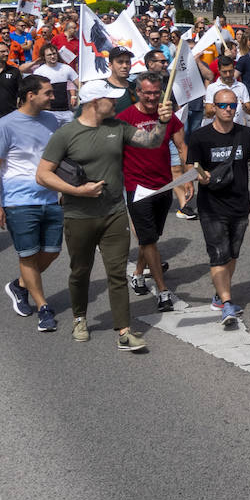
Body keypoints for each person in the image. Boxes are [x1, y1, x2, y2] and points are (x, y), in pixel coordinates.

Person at [36, 79, 171, 352]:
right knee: (80, 271)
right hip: (79, 215)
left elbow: (152, 141)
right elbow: (42, 175)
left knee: (117, 274)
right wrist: (77, 190)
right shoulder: (66, 134)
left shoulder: (117, 127)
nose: (117, 103)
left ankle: (124, 330)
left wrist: (163, 122)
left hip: (114, 213)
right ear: (95, 102)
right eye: (111, 98)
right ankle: (79, 318)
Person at [185, 85, 250, 326]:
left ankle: (220, 292)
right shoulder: (200, 137)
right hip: (212, 207)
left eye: (232, 105)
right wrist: (198, 176)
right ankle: (226, 303)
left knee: (231, 255)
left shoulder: (244, 134)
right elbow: (191, 166)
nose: (228, 109)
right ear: (213, 108)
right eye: (223, 105)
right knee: (218, 255)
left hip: (239, 205)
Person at [0, 75, 64, 331]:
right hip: (19, 201)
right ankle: (43, 308)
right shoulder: (6, 125)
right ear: (31, 95)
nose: (53, 97)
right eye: (48, 93)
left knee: (52, 251)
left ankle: (19, 286)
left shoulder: (52, 120)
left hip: (50, 197)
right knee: (28, 254)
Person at [118, 72, 186, 312]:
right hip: (137, 187)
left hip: (163, 185)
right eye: (147, 93)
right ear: (137, 92)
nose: (152, 97)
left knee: (151, 239)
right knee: (147, 239)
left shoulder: (169, 117)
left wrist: (188, 176)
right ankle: (163, 290)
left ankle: (137, 273)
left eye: (156, 93)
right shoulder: (124, 118)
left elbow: (181, 145)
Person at [26, 44, 78, 123]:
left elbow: (79, 84)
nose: (53, 57)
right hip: (48, 113)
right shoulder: (39, 72)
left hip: (66, 112)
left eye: (54, 54)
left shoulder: (66, 68)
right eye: (49, 55)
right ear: (44, 57)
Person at [204, 56, 250, 127]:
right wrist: (219, 107)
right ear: (219, 70)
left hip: (237, 128)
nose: (228, 75)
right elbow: (208, 113)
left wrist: (245, 107)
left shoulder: (241, 86)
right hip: (219, 128)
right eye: (224, 72)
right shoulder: (212, 88)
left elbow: (249, 111)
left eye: (230, 71)